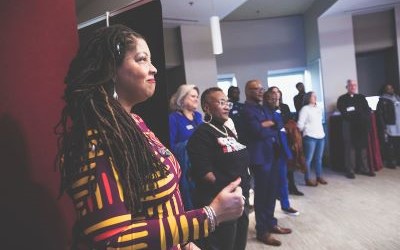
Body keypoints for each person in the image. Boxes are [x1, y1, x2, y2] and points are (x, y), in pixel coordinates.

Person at [55, 24, 244, 249]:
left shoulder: (134, 123)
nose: (153, 68)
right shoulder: (96, 139)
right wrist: (209, 216)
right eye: (142, 59)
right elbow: (113, 240)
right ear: (111, 70)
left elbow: (159, 209)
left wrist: (183, 242)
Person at [187, 87, 251, 250]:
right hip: (221, 203)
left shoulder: (227, 130)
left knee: (239, 243)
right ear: (207, 108)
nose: (226, 106)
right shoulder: (201, 135)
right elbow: (204, 173)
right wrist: (229, 190)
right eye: (221, 102)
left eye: (227, 102)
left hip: (240, 199)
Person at [241, 80, 291, 247]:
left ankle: (271, 223)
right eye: (256, 89)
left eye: (262, 89)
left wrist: (268, 124)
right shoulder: (246, 110)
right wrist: (269, 125)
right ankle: (262, 231)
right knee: (262, 196)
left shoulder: (262, 108)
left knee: (271, 193)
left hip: (272, 155)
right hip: (260, 158)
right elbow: (257, 131)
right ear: (247, 91)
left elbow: (278, 123)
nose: (261, 92)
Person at [264, 88, 300, 216]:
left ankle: (286, 205)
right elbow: (270, 128)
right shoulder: (264, 112)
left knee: (283, 180)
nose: (275, 100)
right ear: (266, 99)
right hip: (269, 152)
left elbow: (280, 127)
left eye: (277, 98)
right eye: (272, 98)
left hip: (281, 150)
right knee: (270, 184)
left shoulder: (278, 112)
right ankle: (269, 213)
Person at [169, 84, 202, 210]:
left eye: (197, 97)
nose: (196, 99)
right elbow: (170, 146)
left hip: (201, 165)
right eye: (193, 96)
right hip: (186, 170)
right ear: (182, 99)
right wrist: (189, 144)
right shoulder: (174, 119)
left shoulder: (198, 116)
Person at [269, 86, 304, 197]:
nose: (276, 94)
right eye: (273, 92)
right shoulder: (267, 108)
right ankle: (277, 191)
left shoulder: (285, 106)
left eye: (277, 92)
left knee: (289, 165)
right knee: (276, 167)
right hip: (273, 140)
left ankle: (292, 187)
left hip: (286, 138)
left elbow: (288, 120)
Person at [337, 79, 375, 179]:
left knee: (363, 147)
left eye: (354, 85)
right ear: (347, 87)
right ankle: (350, 170)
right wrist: (357, 113)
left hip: (361, 126)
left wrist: (357, 113)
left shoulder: (361, 97)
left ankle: (365, 169)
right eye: (350, 85)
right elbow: (344, 112)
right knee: (350, 148)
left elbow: (367, 110)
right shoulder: (342, 99)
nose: (353, 87)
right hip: (349, 125)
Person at [297, 91, 327, 186]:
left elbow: (319, 121)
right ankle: (307, 178)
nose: (315, 97)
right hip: (310, 137)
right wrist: (305, 131)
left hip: (320, 136)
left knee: (319, 159)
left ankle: (319, 176)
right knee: (308, 159)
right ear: (308, 98)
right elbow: (300, 124)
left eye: (315, 96)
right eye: (313, 96)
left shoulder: (318, 108)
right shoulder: (305, 109)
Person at [376, 84, 400, 169]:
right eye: (388, 89)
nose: (390, 90)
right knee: (390, 145)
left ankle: (398, 160)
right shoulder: (382, 100)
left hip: (398, 124)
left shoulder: (397, 97)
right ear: (384, 90)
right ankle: (390, 161)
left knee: (398, 144)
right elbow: (379, 115)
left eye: (391, 88)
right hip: (390, 125)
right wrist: (383, 126)